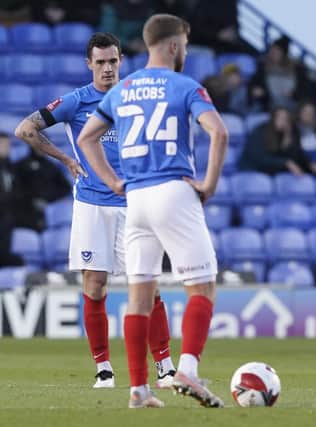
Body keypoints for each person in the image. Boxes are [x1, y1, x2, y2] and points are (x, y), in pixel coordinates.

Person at [78, 14, 228, 408]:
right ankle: (189, 371)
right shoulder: (186, 86)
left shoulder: (122, 89)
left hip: (136, 198)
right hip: (173, 190)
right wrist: (208, 183)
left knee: (138, 295)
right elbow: (219, 131)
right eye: (186, 45)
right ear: (176, 45)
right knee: (203, 286)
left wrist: (113, 181)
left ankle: (139, 390)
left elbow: (86, 137)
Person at [14, 32, 175, 390]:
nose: (107, 68)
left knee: (148, 286)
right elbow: (25, 129)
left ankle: (165, 366)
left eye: (113, 61)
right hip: (92, 205)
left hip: (135, 204)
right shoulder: (75, 102)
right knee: (95, 285)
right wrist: (65, 158)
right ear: (89, 65)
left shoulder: (137, 97)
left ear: (121, 62)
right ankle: (104, 368)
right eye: (100, 62)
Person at [237, 107, 311, 176]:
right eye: (280, 118)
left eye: (286, 119)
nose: (283, 121)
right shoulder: (260, 131)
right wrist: (285, 162)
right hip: (252, 170)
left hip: (276, 173)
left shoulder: (291, 133)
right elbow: (260, 159)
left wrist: (287, 138)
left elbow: (296, 158)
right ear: (273, 118)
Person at [13, 147, 72, 231]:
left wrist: (47, 200)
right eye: (38, 144)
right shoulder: (21, 165)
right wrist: (31, 200)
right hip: (24, 211)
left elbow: (66, 187)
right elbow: (15, 188)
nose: (40, 149)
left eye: (42, 145)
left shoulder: (51, 166)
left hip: (47, 209)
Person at [249, 36, 309, 111]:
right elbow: (253, 84)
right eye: (272, 51)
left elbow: (305, 89)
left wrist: (293, 94)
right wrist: (255, 90)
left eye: (277, 52)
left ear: (284, 53)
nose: (273, 54)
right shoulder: (263, 67)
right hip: (269, 102)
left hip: (291, 103)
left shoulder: (297, 68)